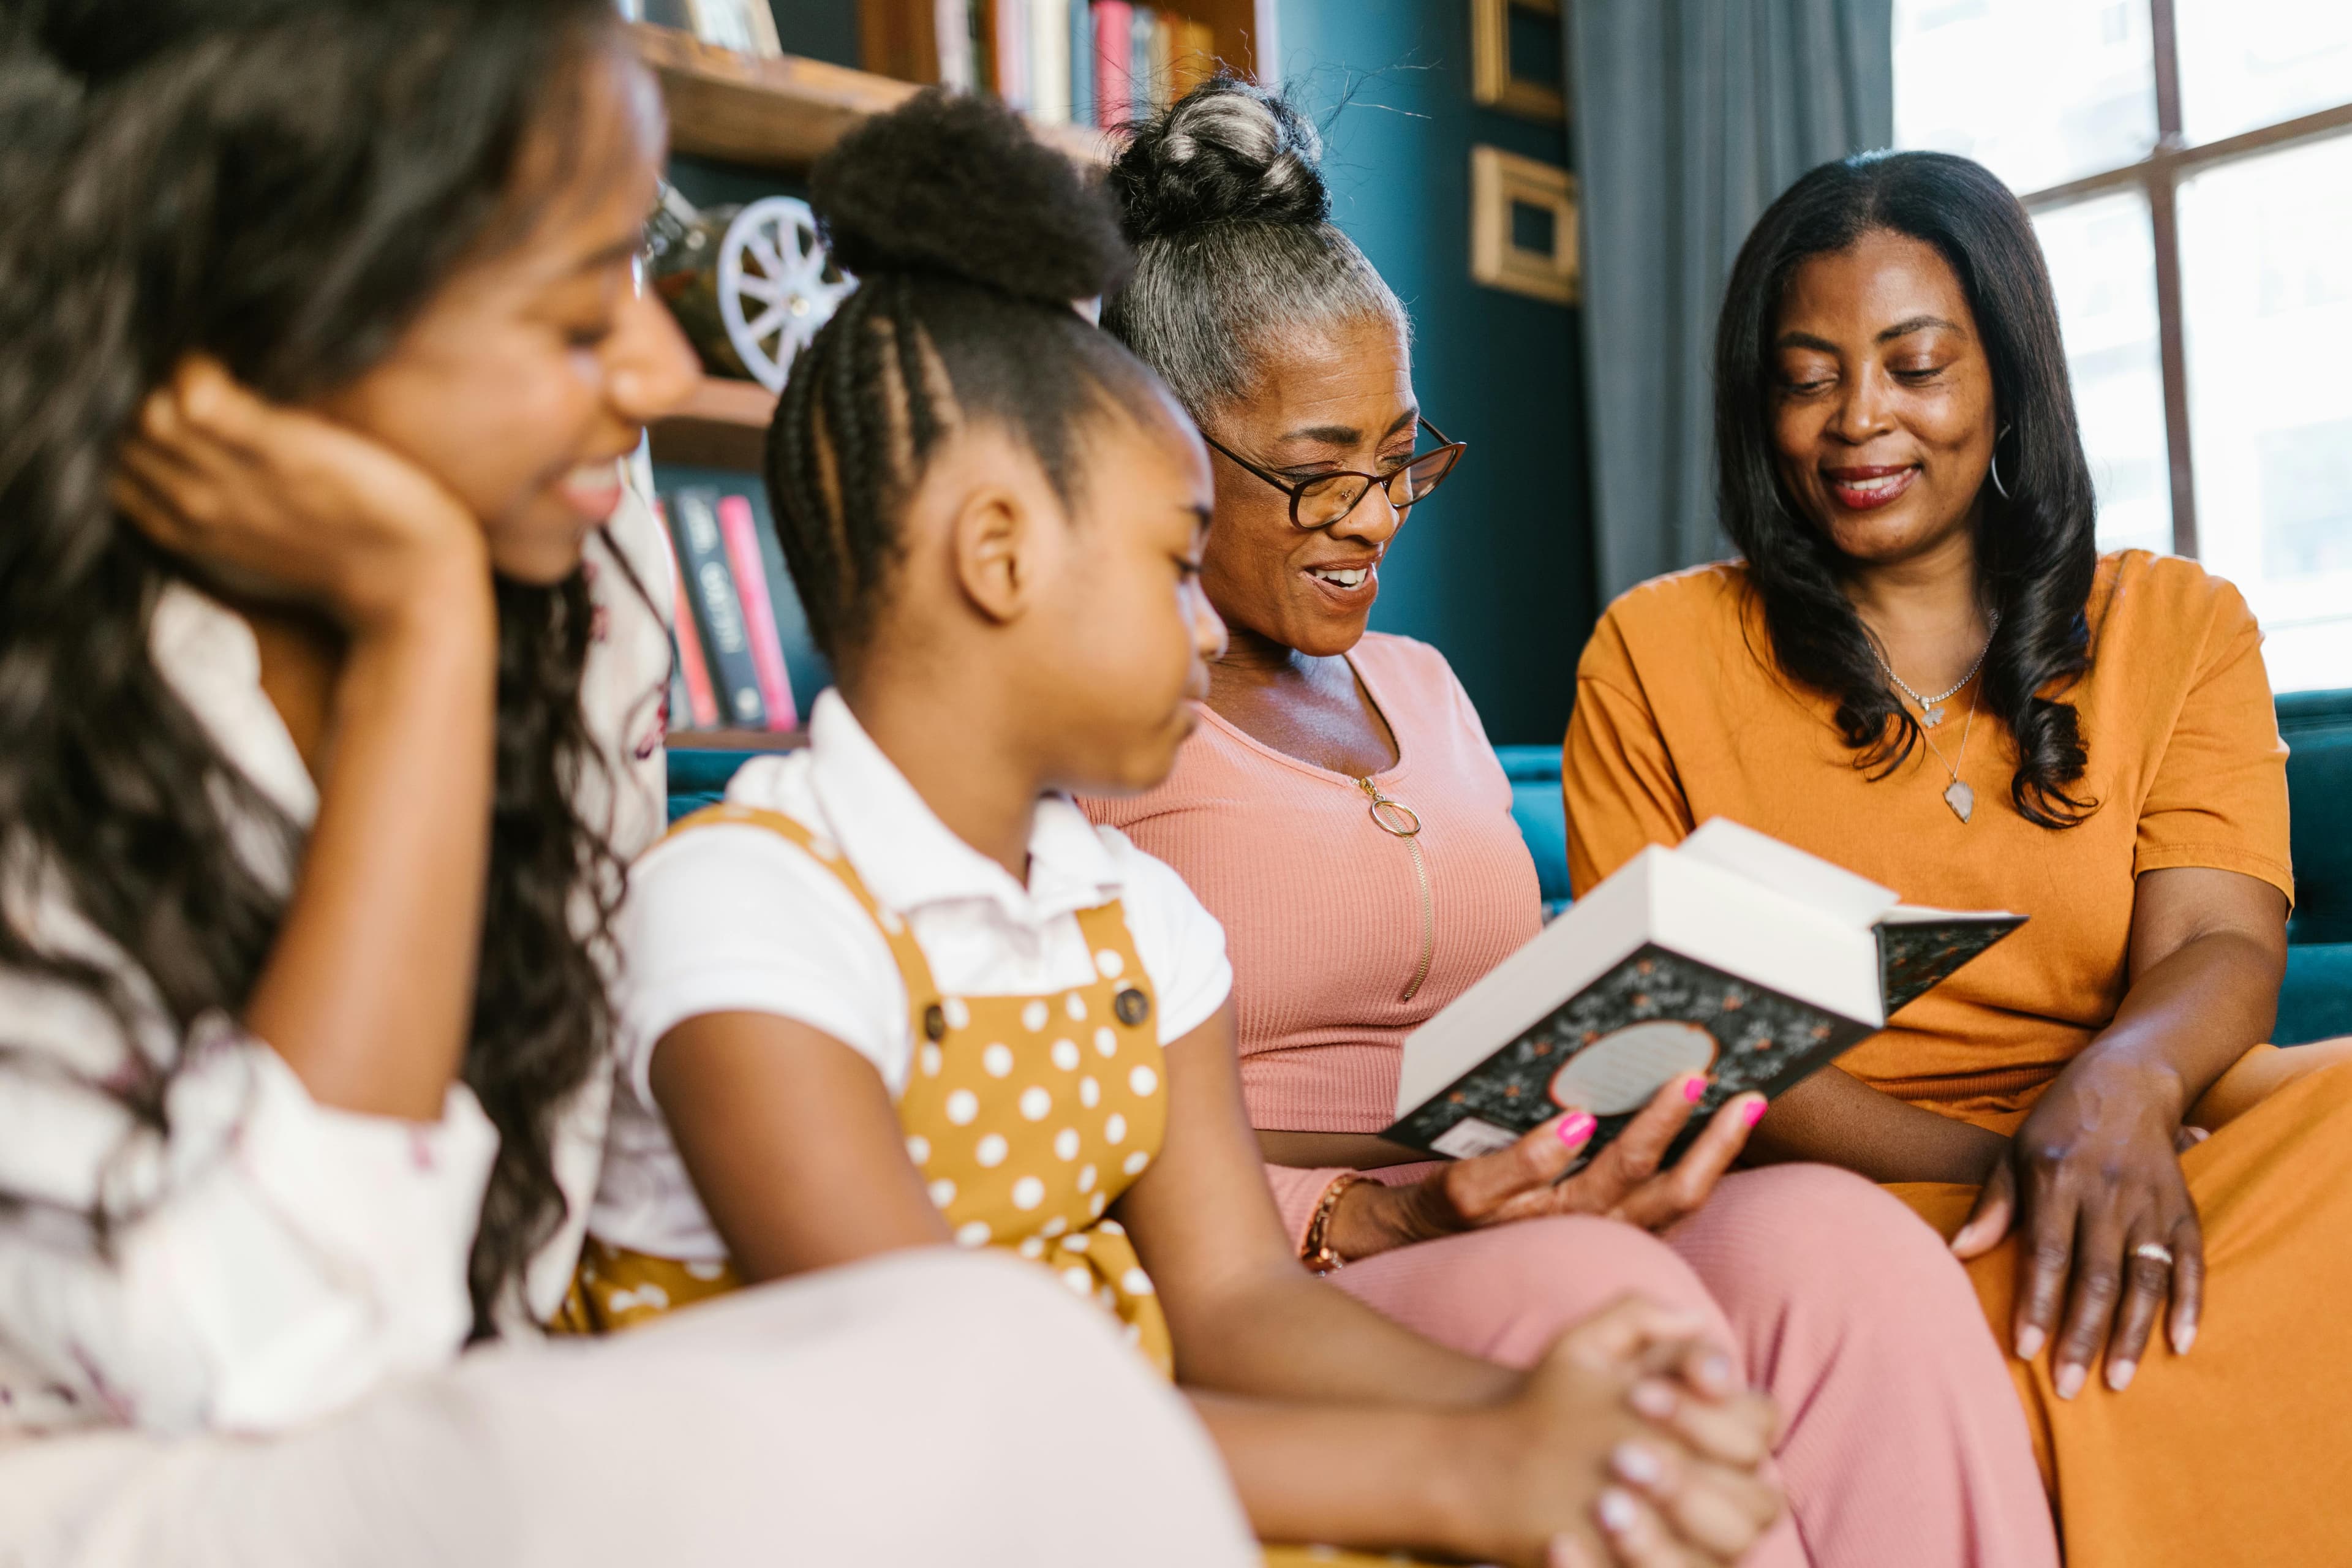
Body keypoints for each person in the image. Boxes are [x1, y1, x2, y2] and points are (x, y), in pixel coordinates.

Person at [0, 6, 1262, 1564]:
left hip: (420, 1425)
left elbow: (475, 1324)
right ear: (305, 298)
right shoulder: (85, 681)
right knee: (983, 1376)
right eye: (581, 297)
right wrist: (422, 641)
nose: (664, 368)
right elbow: (260, 1381)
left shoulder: (586, 593)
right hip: (106, 1487)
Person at [582, 88, 1788, 1568]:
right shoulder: (746, 912)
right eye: (1172, 565)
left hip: (1092, 1469)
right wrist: (1465, 1473)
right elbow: (934, 1385)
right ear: (1000, 557)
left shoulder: (1128, 911)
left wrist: (1545, 1419)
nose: (1209, 627)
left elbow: (1239, 1302)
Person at [1080, 80, 2058, 1568]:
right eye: (1318, 470)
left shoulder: (1425, 684)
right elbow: (1066, 1107)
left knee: (1857, 1255)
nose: (1377, 514)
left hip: (1537, 1191)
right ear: (1159, 446)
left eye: (1403, 456)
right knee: (1622, 1309)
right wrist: (1369, 1212)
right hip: (1312, 1259)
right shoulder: (1094, 719)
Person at [1562, 147, 2352, 1568]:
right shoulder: (1655, 652)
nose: (1861, 419)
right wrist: (2034, 1162)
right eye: (1808, 378)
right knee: (1898, 1265)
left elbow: (2221, 945)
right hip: (1859, 1186)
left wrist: (2121, 1089)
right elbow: (1707, 1045)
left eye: (1915, 364)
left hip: (2159, 1130)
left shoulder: (2179, 621)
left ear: (2007, 377)